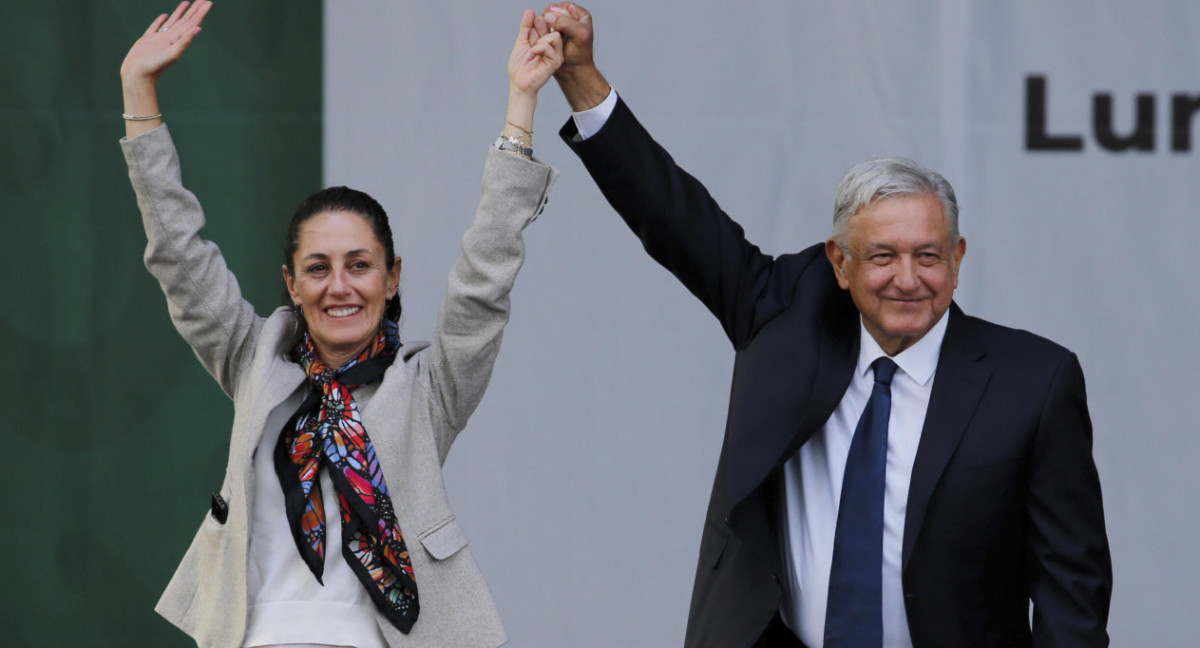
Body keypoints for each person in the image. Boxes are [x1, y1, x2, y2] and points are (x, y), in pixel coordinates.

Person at [540, 3, 1112, 647]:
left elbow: (1072, 592)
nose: (907, 279)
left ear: (957, 261)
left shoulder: (1033, 383)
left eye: (928, 256)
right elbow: (674, 214)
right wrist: (580, 76)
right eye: (882, 257)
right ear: (839, 263)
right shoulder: (783, 314)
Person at [120, 3, 562, 646]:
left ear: (392, 276)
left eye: (360, 265)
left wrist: (521, 105)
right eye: (319, 268)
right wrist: (140, 93)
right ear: (293, 284)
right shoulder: (255, 359)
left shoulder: (428, 388)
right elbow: (178, 257)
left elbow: (484, 277)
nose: (341, 286)